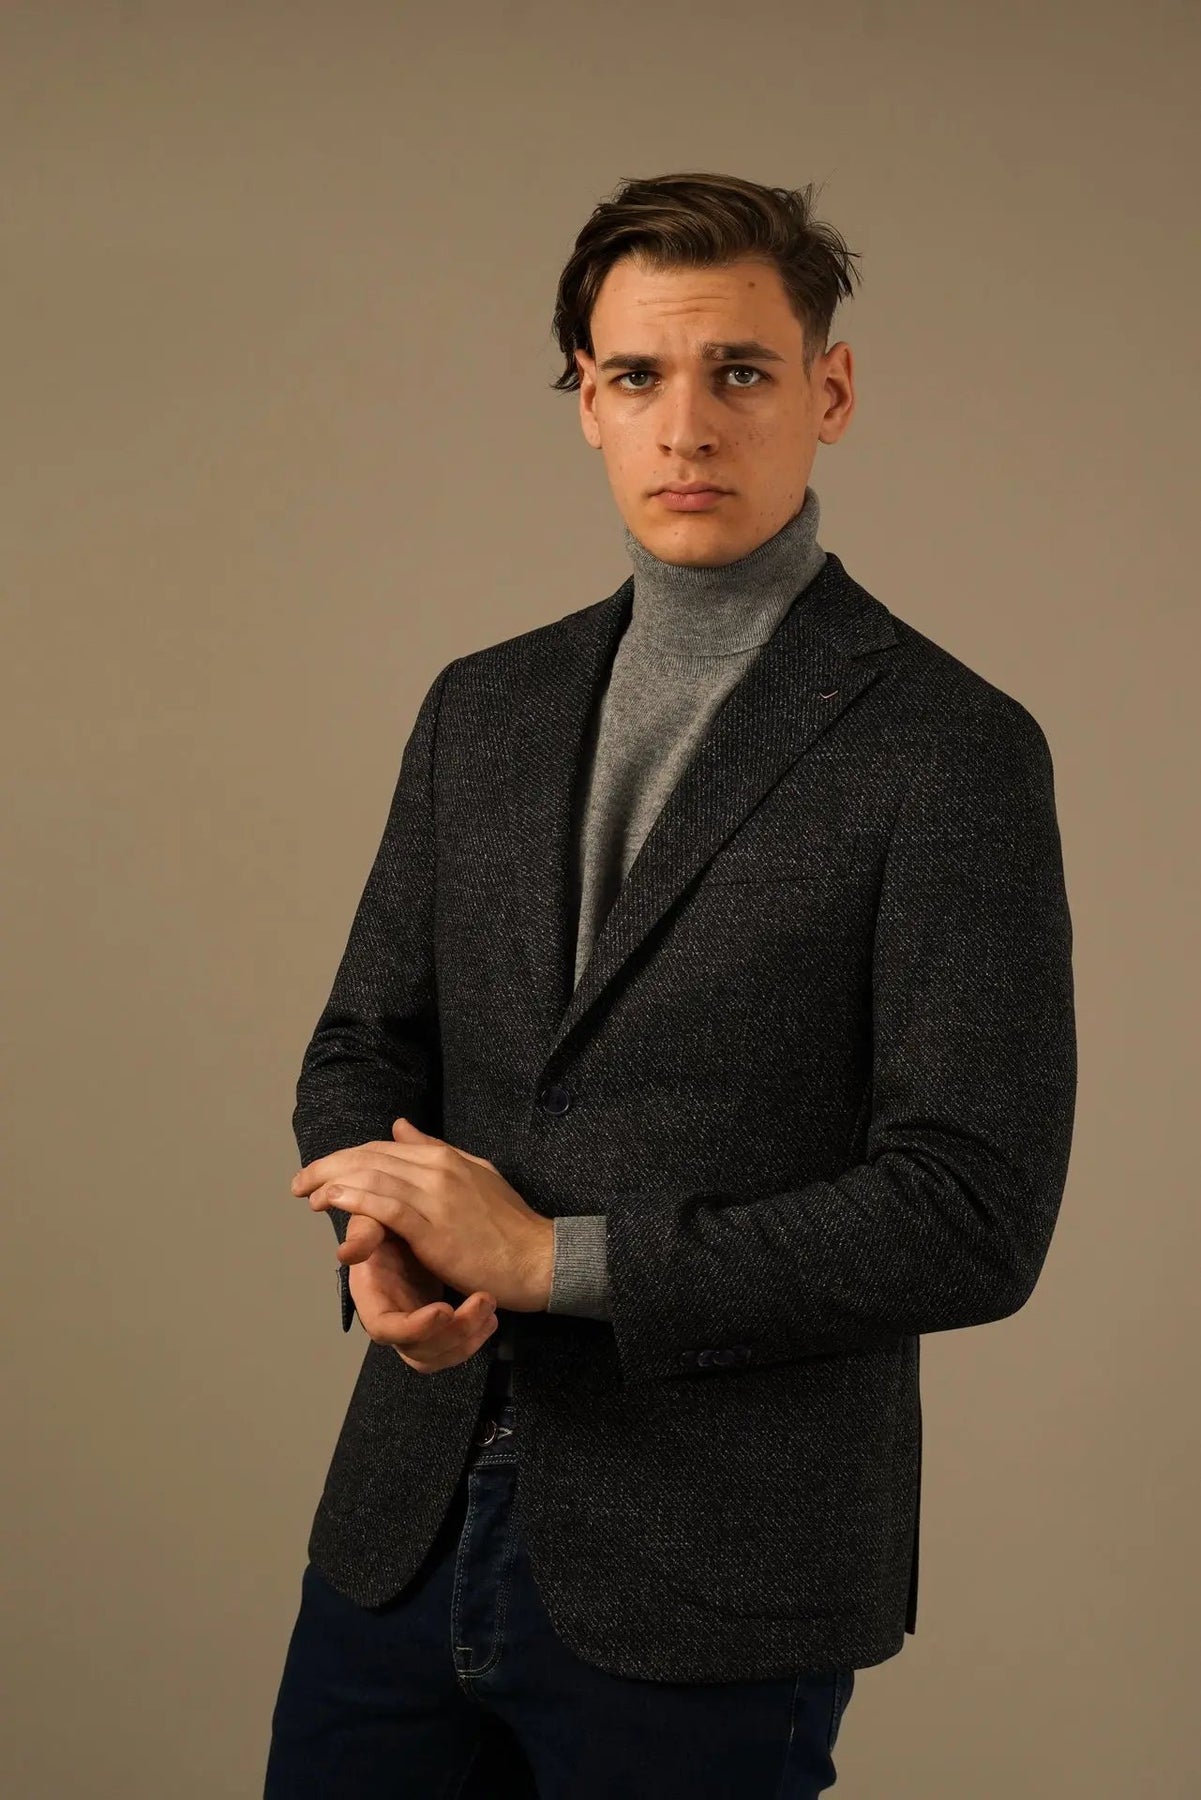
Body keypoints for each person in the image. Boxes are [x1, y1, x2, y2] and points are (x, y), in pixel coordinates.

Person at [264, 171, 1077, 1798]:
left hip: (717, 1577)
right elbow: (364, 1044)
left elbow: (968, 1213)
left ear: (828, 392)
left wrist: (549, 1259)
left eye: (739, 372)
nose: (685, 426)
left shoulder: (948, 748)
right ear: (586, 399)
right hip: (398, 1538)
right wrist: (383, 1245)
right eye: (636, 375)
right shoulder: (483, 707)